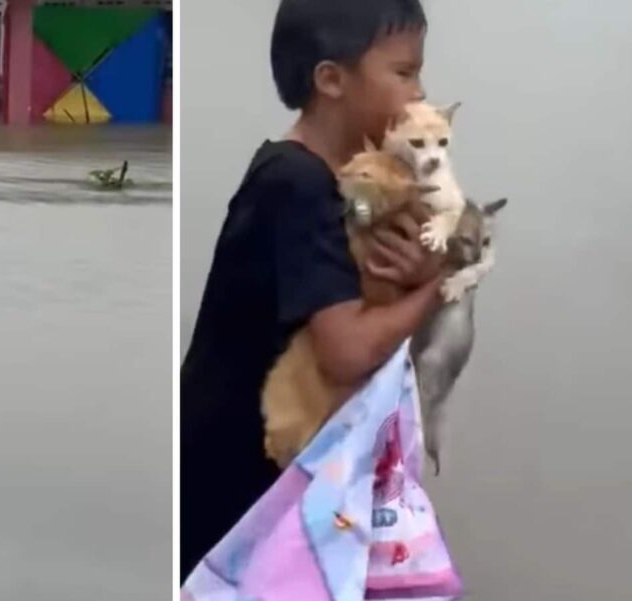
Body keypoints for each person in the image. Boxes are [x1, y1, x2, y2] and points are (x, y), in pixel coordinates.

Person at [180, 0, 447, 581]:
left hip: (262, 487)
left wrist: (416, 276)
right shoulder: (298, 187)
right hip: (231, 498)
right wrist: (438, 285)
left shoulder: (333, 183)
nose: (420, 94)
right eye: (403, 73)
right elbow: (347, 350)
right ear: (331, 80)